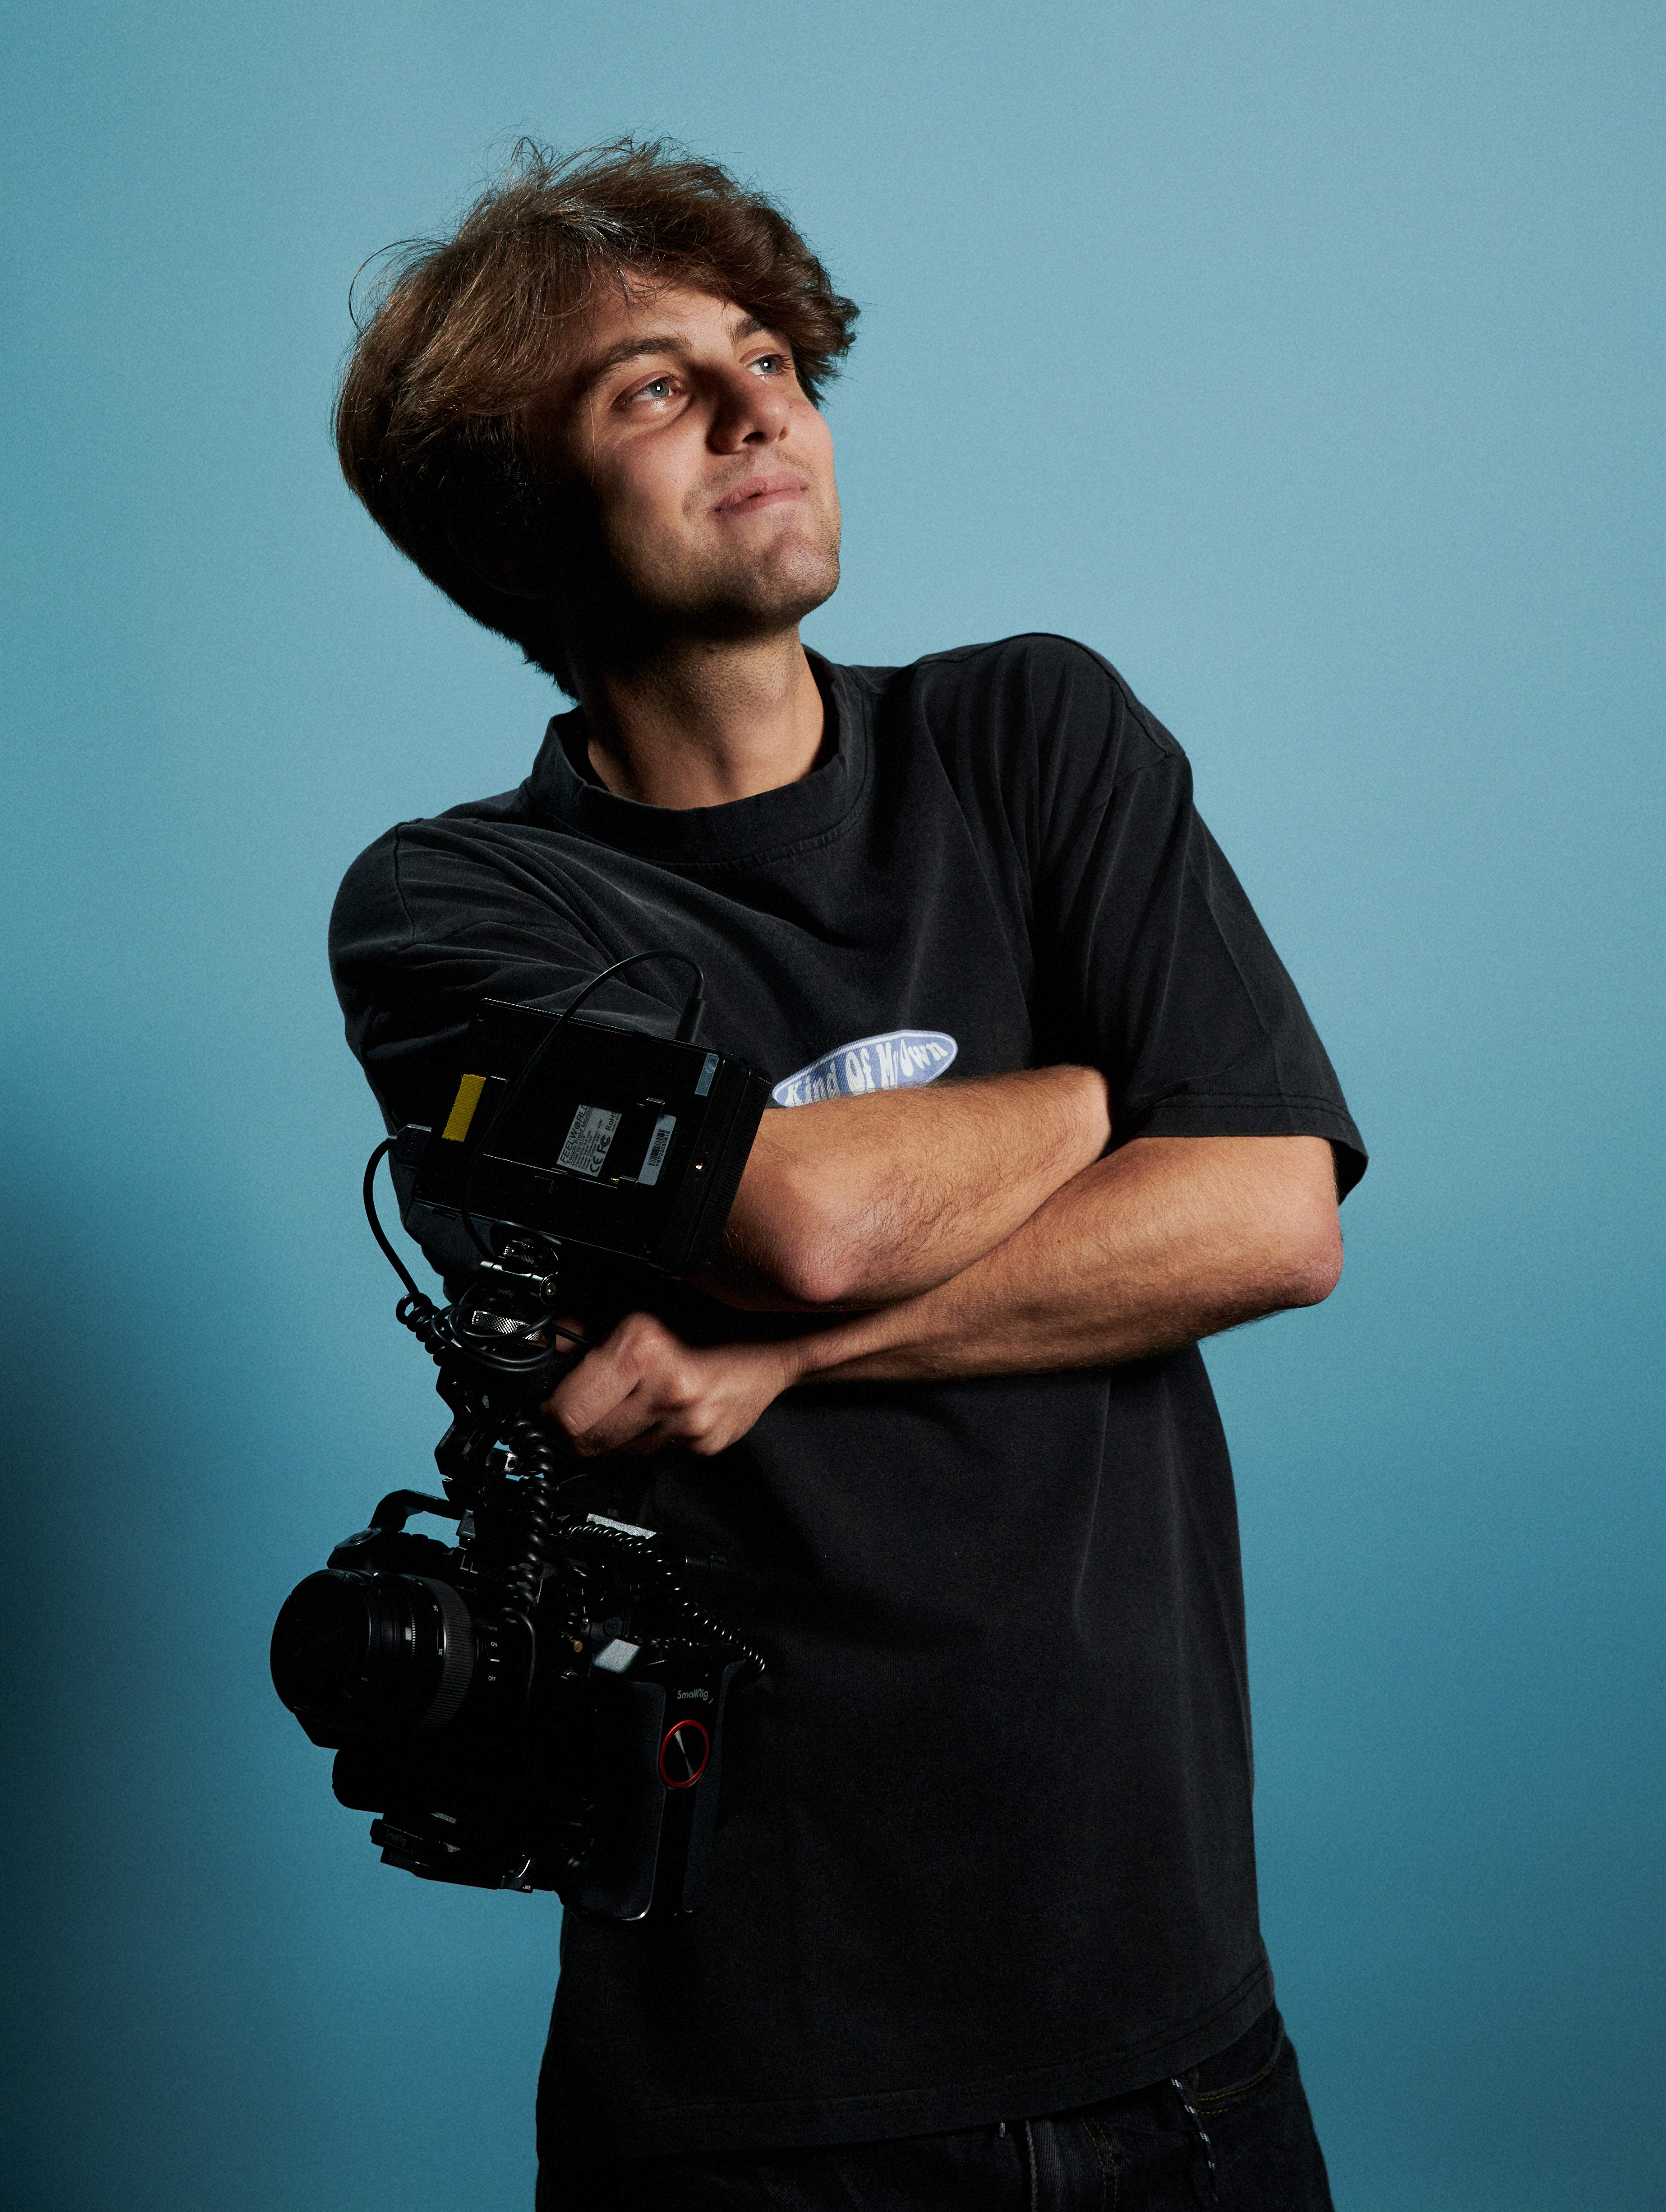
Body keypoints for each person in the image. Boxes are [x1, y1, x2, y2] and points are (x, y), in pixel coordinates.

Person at [328, 140, 1365, 2209]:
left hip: (1179, 2040)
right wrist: (1092, 1091)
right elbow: (797, 1214)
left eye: (769, 353)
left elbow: (1268, 1216)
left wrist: (782, 1365)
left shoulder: (1035, 738)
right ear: (514, 503)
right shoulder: (455, 913)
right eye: (652, 384)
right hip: (762, 2097)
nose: (758, 402)